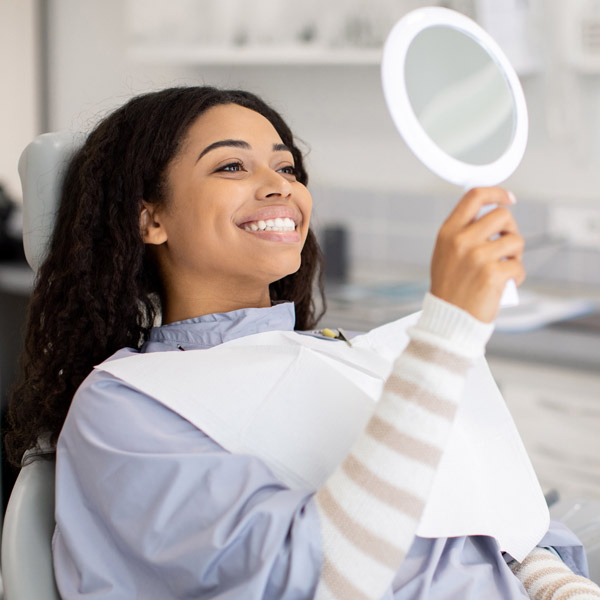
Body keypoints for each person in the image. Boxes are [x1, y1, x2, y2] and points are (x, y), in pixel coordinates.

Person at [5, 86, 599, 600]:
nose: (278, 187)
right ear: (149, 220)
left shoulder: (345, 355)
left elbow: (503, 528)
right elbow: (320, 580)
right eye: (231, 167)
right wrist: (446, 335)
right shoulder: (126, 406)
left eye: (286, 169)